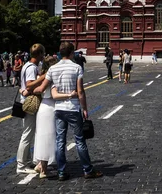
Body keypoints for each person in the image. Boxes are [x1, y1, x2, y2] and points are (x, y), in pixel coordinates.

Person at [34, 42, 103, 181]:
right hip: (73, 108)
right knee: (80, 141)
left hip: (58, 109)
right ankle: (88, 170)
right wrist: (84, 109)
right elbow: (80, 91)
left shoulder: (53, 68)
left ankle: (61, 172)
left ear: (60, 53)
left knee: (60, 141)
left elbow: (41, 88)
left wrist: (28, 89)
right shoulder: (76, 67)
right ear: (72, 53)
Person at [33, 56, 75, 179]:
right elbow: (54, 94)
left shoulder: (40, 77)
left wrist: (27, 91)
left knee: (41, 136)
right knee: (49, 138)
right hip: (51, 107)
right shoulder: (53, 78)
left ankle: (40, 164)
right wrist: (69, 95)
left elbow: (37, 89)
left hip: (42, 107)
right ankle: (44, 170)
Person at [16, 43, 46, 175]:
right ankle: (21, 165)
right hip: (29, 103)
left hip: (26, 101)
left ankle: (26, 161)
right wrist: (44, 77)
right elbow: (29, 85)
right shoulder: (31, 68)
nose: (43, 56)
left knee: (28, 132)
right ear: (39, 54)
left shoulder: (28, 66)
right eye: (42, 54)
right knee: (27, 134)